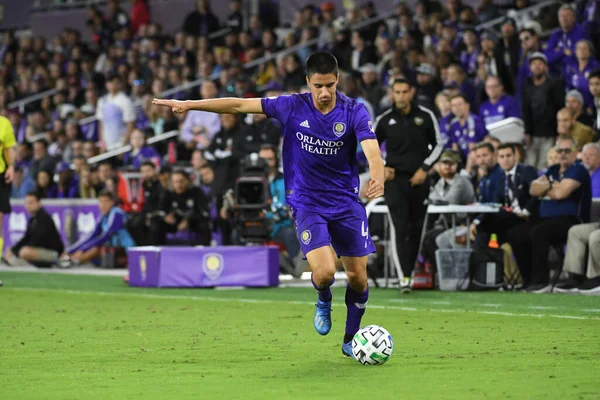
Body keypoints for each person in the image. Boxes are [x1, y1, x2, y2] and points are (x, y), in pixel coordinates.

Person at [153, 52, 384, 359]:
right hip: (307, 202)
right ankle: (323, 297)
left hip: (345, 202)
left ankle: (351, 338)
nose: (325, 92)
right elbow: (237, 105)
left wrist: (377, 178)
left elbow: (372, 149)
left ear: (338, 80)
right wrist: (190, 105)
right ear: (308, 82)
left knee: (357, 277)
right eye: (318, 86)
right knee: (326, 271)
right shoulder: (291, 105)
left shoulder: (354, 111)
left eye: (330, 85)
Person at [373, 78, 443, 291]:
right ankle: (404, 276)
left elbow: (438, 144)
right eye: (397, 92)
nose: (401, 96)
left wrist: (425, 168)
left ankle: (410, 272)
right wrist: (383, 166)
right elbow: (370, 147)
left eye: (405, 91)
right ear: (391, 93)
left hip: (420, 178)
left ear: (411, 92)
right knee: (400, 226)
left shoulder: (425, 115)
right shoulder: (384, 119)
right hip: (395, 181)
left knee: (417, 227)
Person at [60, 191, 136, 268]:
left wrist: (82, 250)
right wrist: (70, 250)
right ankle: (69, 260)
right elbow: (92, 236)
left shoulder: (116, 213)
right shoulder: (103, 216)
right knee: (95, 247)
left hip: (126, 251)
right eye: (101, 202)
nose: (103, 205)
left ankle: (73, 262)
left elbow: (105, 236)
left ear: (112, 202)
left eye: (106, 202)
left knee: (97, 248)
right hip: (112, 250)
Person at [4, 191, 64, 267]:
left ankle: (50, 264)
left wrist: (17, 251)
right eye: (26, 203)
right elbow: (26, 238)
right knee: (13, 252)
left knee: (25, 252)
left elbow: (38, 241)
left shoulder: (44, 218)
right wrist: (13, 250)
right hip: (39, 251)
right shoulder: (33, 219)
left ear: (38, 203)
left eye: (31, 203)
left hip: (53, 253)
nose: (28, 206)